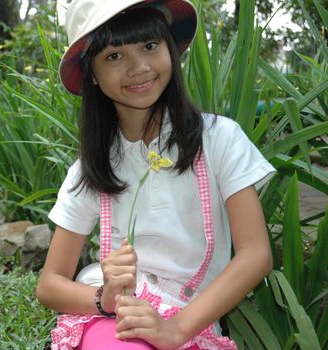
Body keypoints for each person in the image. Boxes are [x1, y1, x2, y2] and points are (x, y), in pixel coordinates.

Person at [35, 0, 275, 349]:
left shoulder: (220, 139)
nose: (139, 67)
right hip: (119, 322)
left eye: (149, 46)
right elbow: (49, 284)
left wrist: (175, 329)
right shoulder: (91, 167)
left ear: (170, 50)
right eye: (114, 56)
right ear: (94, 77)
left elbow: (256, 254)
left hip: (191, 321)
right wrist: (105, 299)